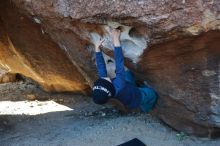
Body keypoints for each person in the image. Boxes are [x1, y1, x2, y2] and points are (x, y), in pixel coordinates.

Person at [92, 28, 158, 112]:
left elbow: (101, 67)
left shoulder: (106, 85)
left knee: (127, 73)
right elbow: (119, 63)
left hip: (127, 87)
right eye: (105, 80)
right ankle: (146, 108)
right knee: (151, 94)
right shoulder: (119, 85)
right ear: (110, 87)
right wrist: (116, 39)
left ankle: (136, 86)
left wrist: (97, 49)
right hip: (137, 97)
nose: (103, 78)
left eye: (101, 80)